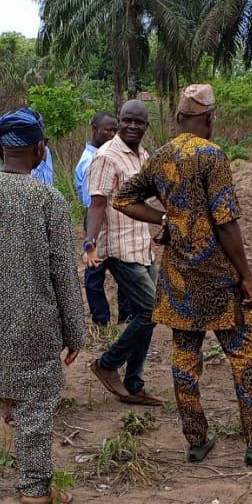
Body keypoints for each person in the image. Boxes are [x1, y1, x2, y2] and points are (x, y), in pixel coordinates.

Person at [113, 84, 252, 466]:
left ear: (177, 119)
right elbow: (225, 221)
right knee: (242, 354)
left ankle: (196, 440)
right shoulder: (212, 156)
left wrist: (165, 218)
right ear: (209, 119)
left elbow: (123, 199)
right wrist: (247, 276)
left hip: (178, 277)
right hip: (218, 277)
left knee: (184, 357)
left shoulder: (161, 156)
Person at [0, 108, 85, 504]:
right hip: (36, 320)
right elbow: (64, 271)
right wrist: (75, 330)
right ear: (40, 149)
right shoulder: (48, 198)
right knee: (36, 405)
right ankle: (33, 486)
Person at [84, 99, 164, 406]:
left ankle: (134, 383)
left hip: (141, 245)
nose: (132, 126)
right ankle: (107, 364)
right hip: (118, 248)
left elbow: (152, 194)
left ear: (146, 126)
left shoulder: (143, 155)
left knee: (151, 312)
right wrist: (89, 242)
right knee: (151, 310)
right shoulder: (107, 157)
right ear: (119, 121)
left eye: (138, 122)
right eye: (126, 120)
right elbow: (97, 204)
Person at [74, 111, 120, 328]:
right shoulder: (90, 161)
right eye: (107, 129)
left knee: (122, 266)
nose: (112, 134)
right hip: (97, 219)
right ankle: (101, 320)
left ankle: (124, 316)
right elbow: (91, 201)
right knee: (95, 272)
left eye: (114, 130)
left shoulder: (106, 155)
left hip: (110, 216)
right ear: (94, 130)